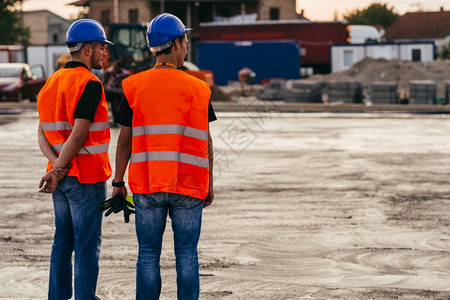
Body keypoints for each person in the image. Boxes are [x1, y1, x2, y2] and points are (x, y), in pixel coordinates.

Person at [112, 13, 216, 300]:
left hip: (148, 185)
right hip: (189, 184)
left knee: (147, 254)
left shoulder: (134, 86)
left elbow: (124, 142)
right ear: (176, 43)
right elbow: (206, 142)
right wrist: (209, 184)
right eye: (185, 41)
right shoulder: (199, 89)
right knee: (186, 255)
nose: (186, 47)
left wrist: (118, 182)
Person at [37, 19, 113, 300]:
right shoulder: (89, 83)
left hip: (61, 180)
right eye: (103, 48)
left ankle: (57, 297)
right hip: (85, 178)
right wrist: (59, 170)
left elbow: (42, 134)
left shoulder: (51, 83)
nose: (105, 54)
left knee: (62, 242)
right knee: (86, 245)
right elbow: (79, 135)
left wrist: (56, 169)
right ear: (89, 49)